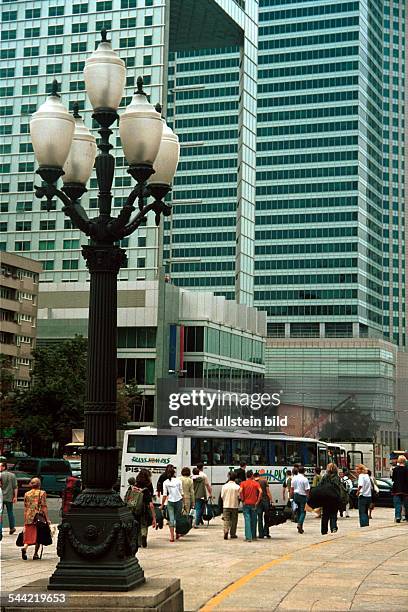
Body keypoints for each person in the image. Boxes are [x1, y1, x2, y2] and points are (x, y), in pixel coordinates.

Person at [21, 478, 49, 560]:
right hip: (38, 517)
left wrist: (25, 518)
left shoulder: (27, 494)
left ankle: (25, 547)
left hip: (29, 516)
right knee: (38, 536)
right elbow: (44, 506)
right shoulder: (42, 493)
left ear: (31, 484)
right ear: (39, 484)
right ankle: (35, 554)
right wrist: (47, 519)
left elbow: (25, 506)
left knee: (29, 534)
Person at [319, 463, 344, 535]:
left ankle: (324, 530)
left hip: (326, 498)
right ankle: (333, 527)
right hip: (334, 498)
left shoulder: (324, 477)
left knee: (325, 515)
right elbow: (339, 488)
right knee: (333, 514)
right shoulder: (337, 477)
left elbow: (320, 486)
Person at [160, 466, 183, 542]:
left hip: (170, 501)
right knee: (178, 518)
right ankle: (177, 534)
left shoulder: (165, 482)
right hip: (179, 500)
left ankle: (172, 536)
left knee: (171, 519)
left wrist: (162, 505)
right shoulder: (178, 481)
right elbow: (181, 492)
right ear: (174, 473)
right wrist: (185, 502)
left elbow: (164, 495)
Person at [134, 469, 156, 548]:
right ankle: (144, 535)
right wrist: (154, 517)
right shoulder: (147, 488)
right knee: (144, 523)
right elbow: (151, 504)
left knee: (136, 524)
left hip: (135, 508)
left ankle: (137, 541)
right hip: (144, 508)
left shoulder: (134, 486)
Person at [239, 470, 262, 542]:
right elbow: (261, 491)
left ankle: (248, 537)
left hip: (246, 503)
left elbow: (240, 491)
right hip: (254, 504)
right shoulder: (256, 483)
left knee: (247, 519)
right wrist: (258, 501)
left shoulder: (243, 483)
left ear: (246, 476)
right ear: (252, 476)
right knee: (254, 519)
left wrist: (242, 500)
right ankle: (254, 536)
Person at [220, 471, 240, 539]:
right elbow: (239, 497)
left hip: (226, 505)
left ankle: (226, 531)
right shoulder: (237, 487)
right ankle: (233, 533)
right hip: (234, 505)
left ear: (228, 477)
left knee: (226, 520)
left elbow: (222, 496)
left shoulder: (224, 486)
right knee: (234, 520)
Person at [290, 466, 310, 534]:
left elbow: (291, 489)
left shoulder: (294, 478)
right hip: (302, 496)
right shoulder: (305, 479)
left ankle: (300, 527)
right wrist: (308, 497)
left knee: (298, 511)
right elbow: (307, 490)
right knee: (303, 512)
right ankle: (299, 523)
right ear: (304, 471)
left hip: (296, 496)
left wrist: (291, 497)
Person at [0, 462, 18, 535]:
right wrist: (15, 496)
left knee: (0, 513)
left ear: (4, 467)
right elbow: (15, 487)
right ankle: (12, 527)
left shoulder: (0, 475)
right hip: (9, 497)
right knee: (10, 512)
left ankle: (0, 529)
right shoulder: (12, 475)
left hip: (1, 497)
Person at [254, 471, 272, 538]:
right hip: (266, 501)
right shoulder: (264, 481)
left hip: (258, 502)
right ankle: (266, 532)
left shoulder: (254, 482)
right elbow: (268, 492)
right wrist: (271, 500)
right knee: (267, 517)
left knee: (260, 518)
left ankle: (261, 534)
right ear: (259, 475)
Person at [391, 454, 408, 523]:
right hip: (406, 490)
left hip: (397, 489)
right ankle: (406, 517)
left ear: (398, 461)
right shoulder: (407, 469)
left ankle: (398, 517)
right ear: (404, 461)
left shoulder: (395, 469)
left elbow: (393, 479)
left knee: (397, 504)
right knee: (406, 504)